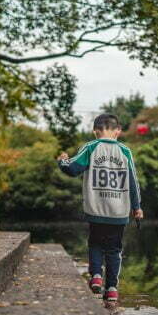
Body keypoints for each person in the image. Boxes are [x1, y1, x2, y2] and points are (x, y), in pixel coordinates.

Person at [57, 113, 144, 303]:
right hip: (119, 211)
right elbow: (133, 182)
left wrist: (62, 160)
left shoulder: (90, 147)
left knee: (95, 243)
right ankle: (112, 289)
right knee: (114, 249)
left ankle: (96, 275)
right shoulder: (125, 151)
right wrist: (137, 207)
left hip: (96, 209)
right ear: (118, 131)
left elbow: (72, 169)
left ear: (95, 131)